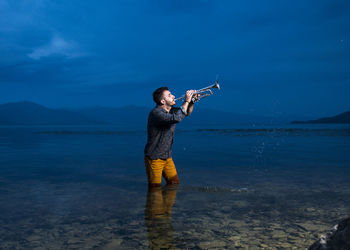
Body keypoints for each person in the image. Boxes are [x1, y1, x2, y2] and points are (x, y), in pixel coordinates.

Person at [144, 87, 196, 188]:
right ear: (163, 101)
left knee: (174, 184)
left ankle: (166, 204)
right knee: (154, 189)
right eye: (169, 95)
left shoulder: (172, 111)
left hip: (167, 157)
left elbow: (186, 112)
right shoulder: (156, 113)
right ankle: (154, 203)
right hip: (154, 158)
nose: (173, 96)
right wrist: (186, 100)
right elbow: (177, 118)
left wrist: (192, 102)